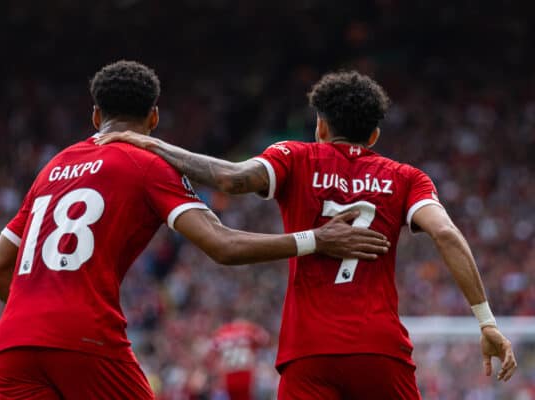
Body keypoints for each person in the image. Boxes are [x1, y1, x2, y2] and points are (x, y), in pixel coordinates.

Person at [0, 62, 390, 400]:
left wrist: (37, 316)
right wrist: (316, 238)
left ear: (94, 115)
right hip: (84, 338)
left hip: (12, 344)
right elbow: (223, 245)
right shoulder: (148, 164)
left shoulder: (52, 168)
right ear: (154, 116)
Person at [95, 70, 518, 399]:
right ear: (374, 135)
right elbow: (446, 233)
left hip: (308, 352)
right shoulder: (406, 178)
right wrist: (486, 322)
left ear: (319, 126)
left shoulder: (295, 158)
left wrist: (151, 145)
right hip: (380, 349)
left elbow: (230, 178)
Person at [211, 319, 270, 400]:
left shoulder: (221, 332)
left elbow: (214, 350)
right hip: (245, 372)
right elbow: (265, 339)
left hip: (229, 374)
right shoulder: (248, 329)